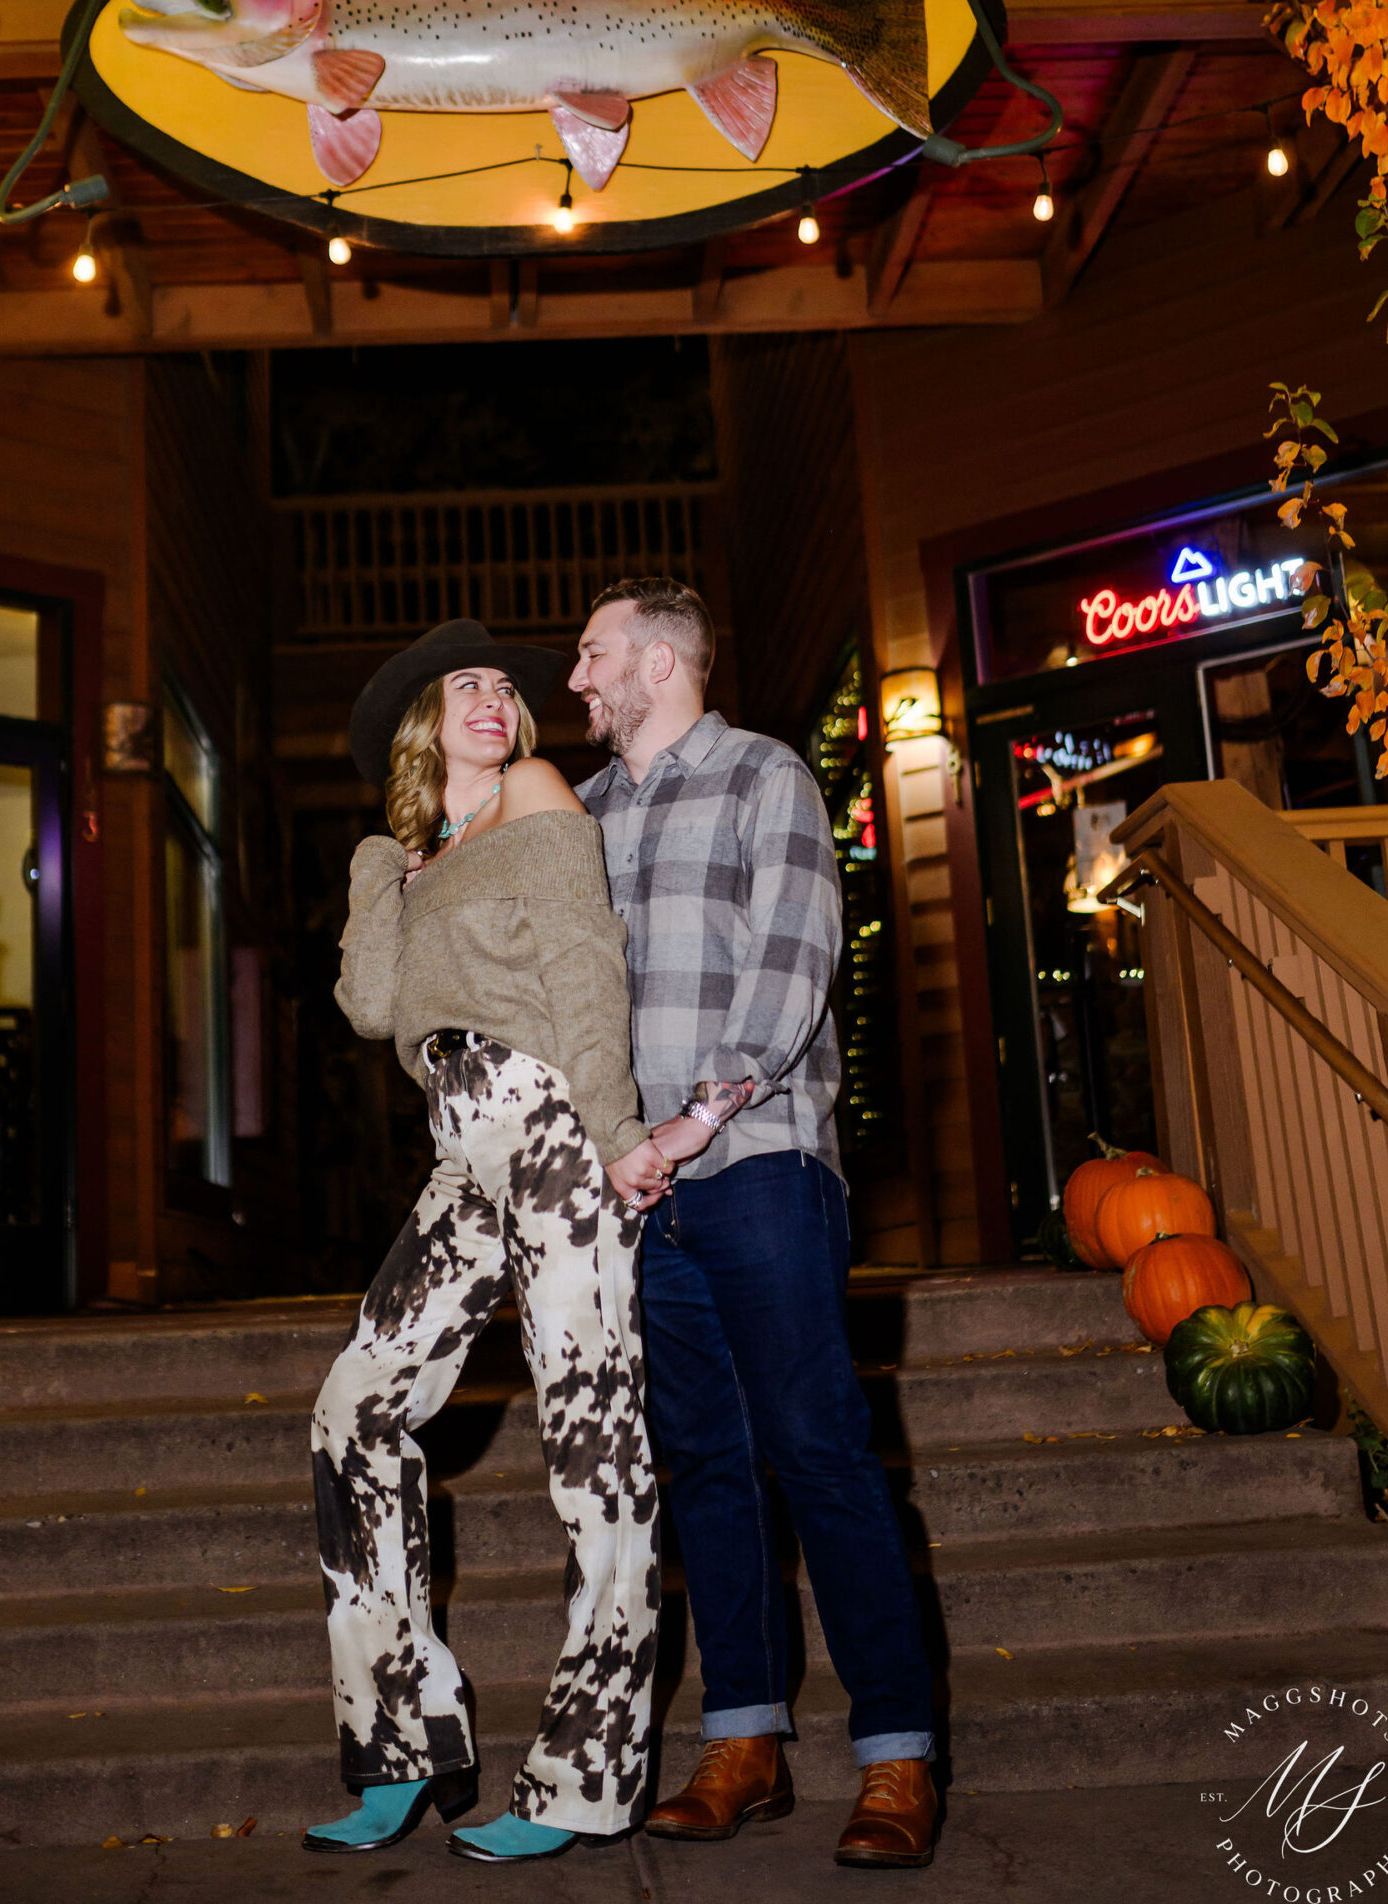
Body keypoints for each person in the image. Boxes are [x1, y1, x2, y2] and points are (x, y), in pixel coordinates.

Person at [572, 578, 940, 1872]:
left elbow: (793, 959)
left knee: (817, 1449)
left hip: (758, 1164)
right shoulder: (580, 812)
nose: (577, 678)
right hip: (638, 1192)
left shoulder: (762, 776)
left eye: (593, 653)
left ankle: (896, 1751)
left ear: (660, 661)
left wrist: (692, 1118)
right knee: (704, 1466)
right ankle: (743, 1740)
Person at [305, 617, 672, 1865]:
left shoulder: (535, 791)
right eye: (466, 682)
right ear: (423, 720)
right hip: (461, 1150)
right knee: (352, 1412)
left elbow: (584, 962)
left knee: (595, 1451)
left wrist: (615, 1127)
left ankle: (585, 1777)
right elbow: (370, 1007)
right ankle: (404, 1739)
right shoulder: (415, 854)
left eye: (505, 685)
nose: (495, 697)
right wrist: (382, 863)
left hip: (554, 1123)